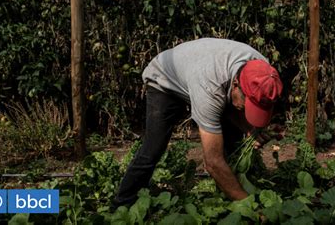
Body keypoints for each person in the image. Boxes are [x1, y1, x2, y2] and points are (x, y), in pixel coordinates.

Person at [113, 38, 283, 208]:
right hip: (165, 80)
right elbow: (212, 162)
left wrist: (251, 131)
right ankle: (122, 203)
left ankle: (228, 191)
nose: (246, 110)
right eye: (248, 104)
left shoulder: (264, 74)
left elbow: (243, 108)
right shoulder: (210, 88)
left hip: (204, 74)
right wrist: (249, 206)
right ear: (236, 84)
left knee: (233, 141)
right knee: (154, 147)